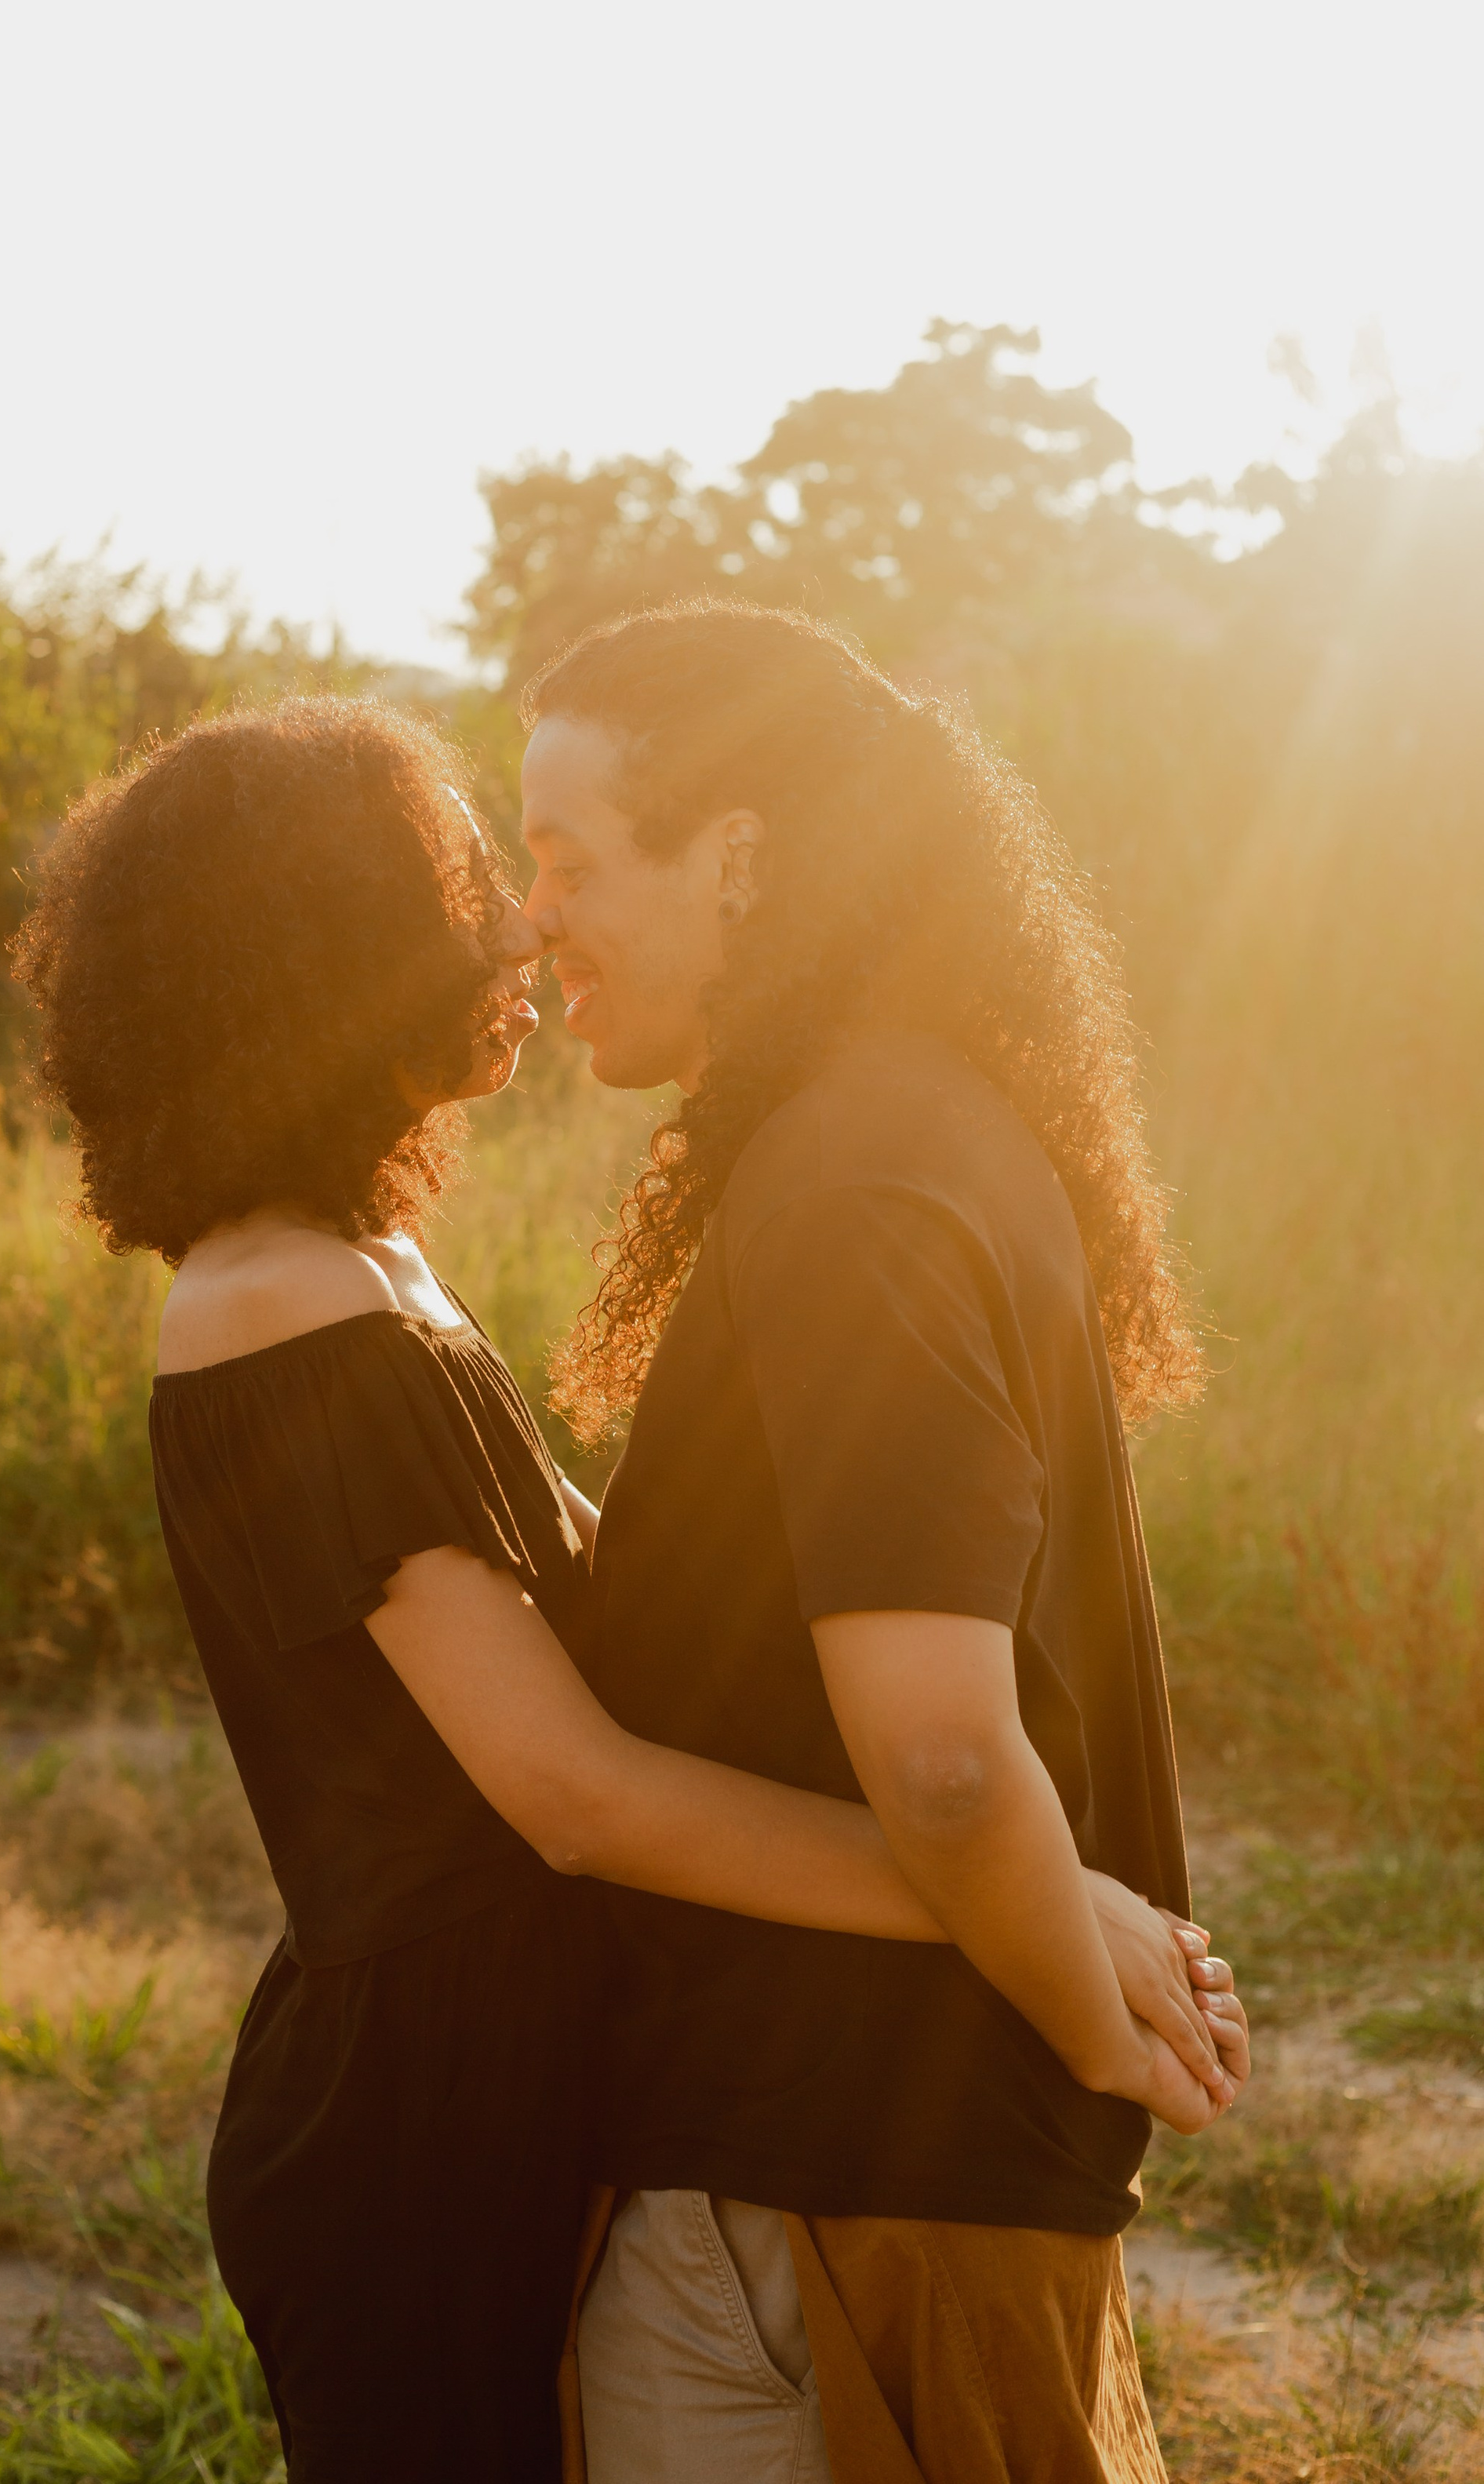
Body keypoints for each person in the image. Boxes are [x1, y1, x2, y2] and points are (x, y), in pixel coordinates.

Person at [10, 693, 1245, 2484]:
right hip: (416, 2112)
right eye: (458, 885)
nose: (515, 923)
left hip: (525, 2065)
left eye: (535, 875)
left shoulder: (368, 1268)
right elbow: (573, 1793)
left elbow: (624, 1589)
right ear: (312, 955)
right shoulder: (272, 1302)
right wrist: (1020, 1901)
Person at [519, 600, 1231, 2483]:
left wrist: (1093, 2020)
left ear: (738, 861)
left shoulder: (850, 1173)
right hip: (873, 2160)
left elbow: (932, 1744)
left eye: (571, 862)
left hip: (818, 2174)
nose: (535, 921)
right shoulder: (905, 1127)